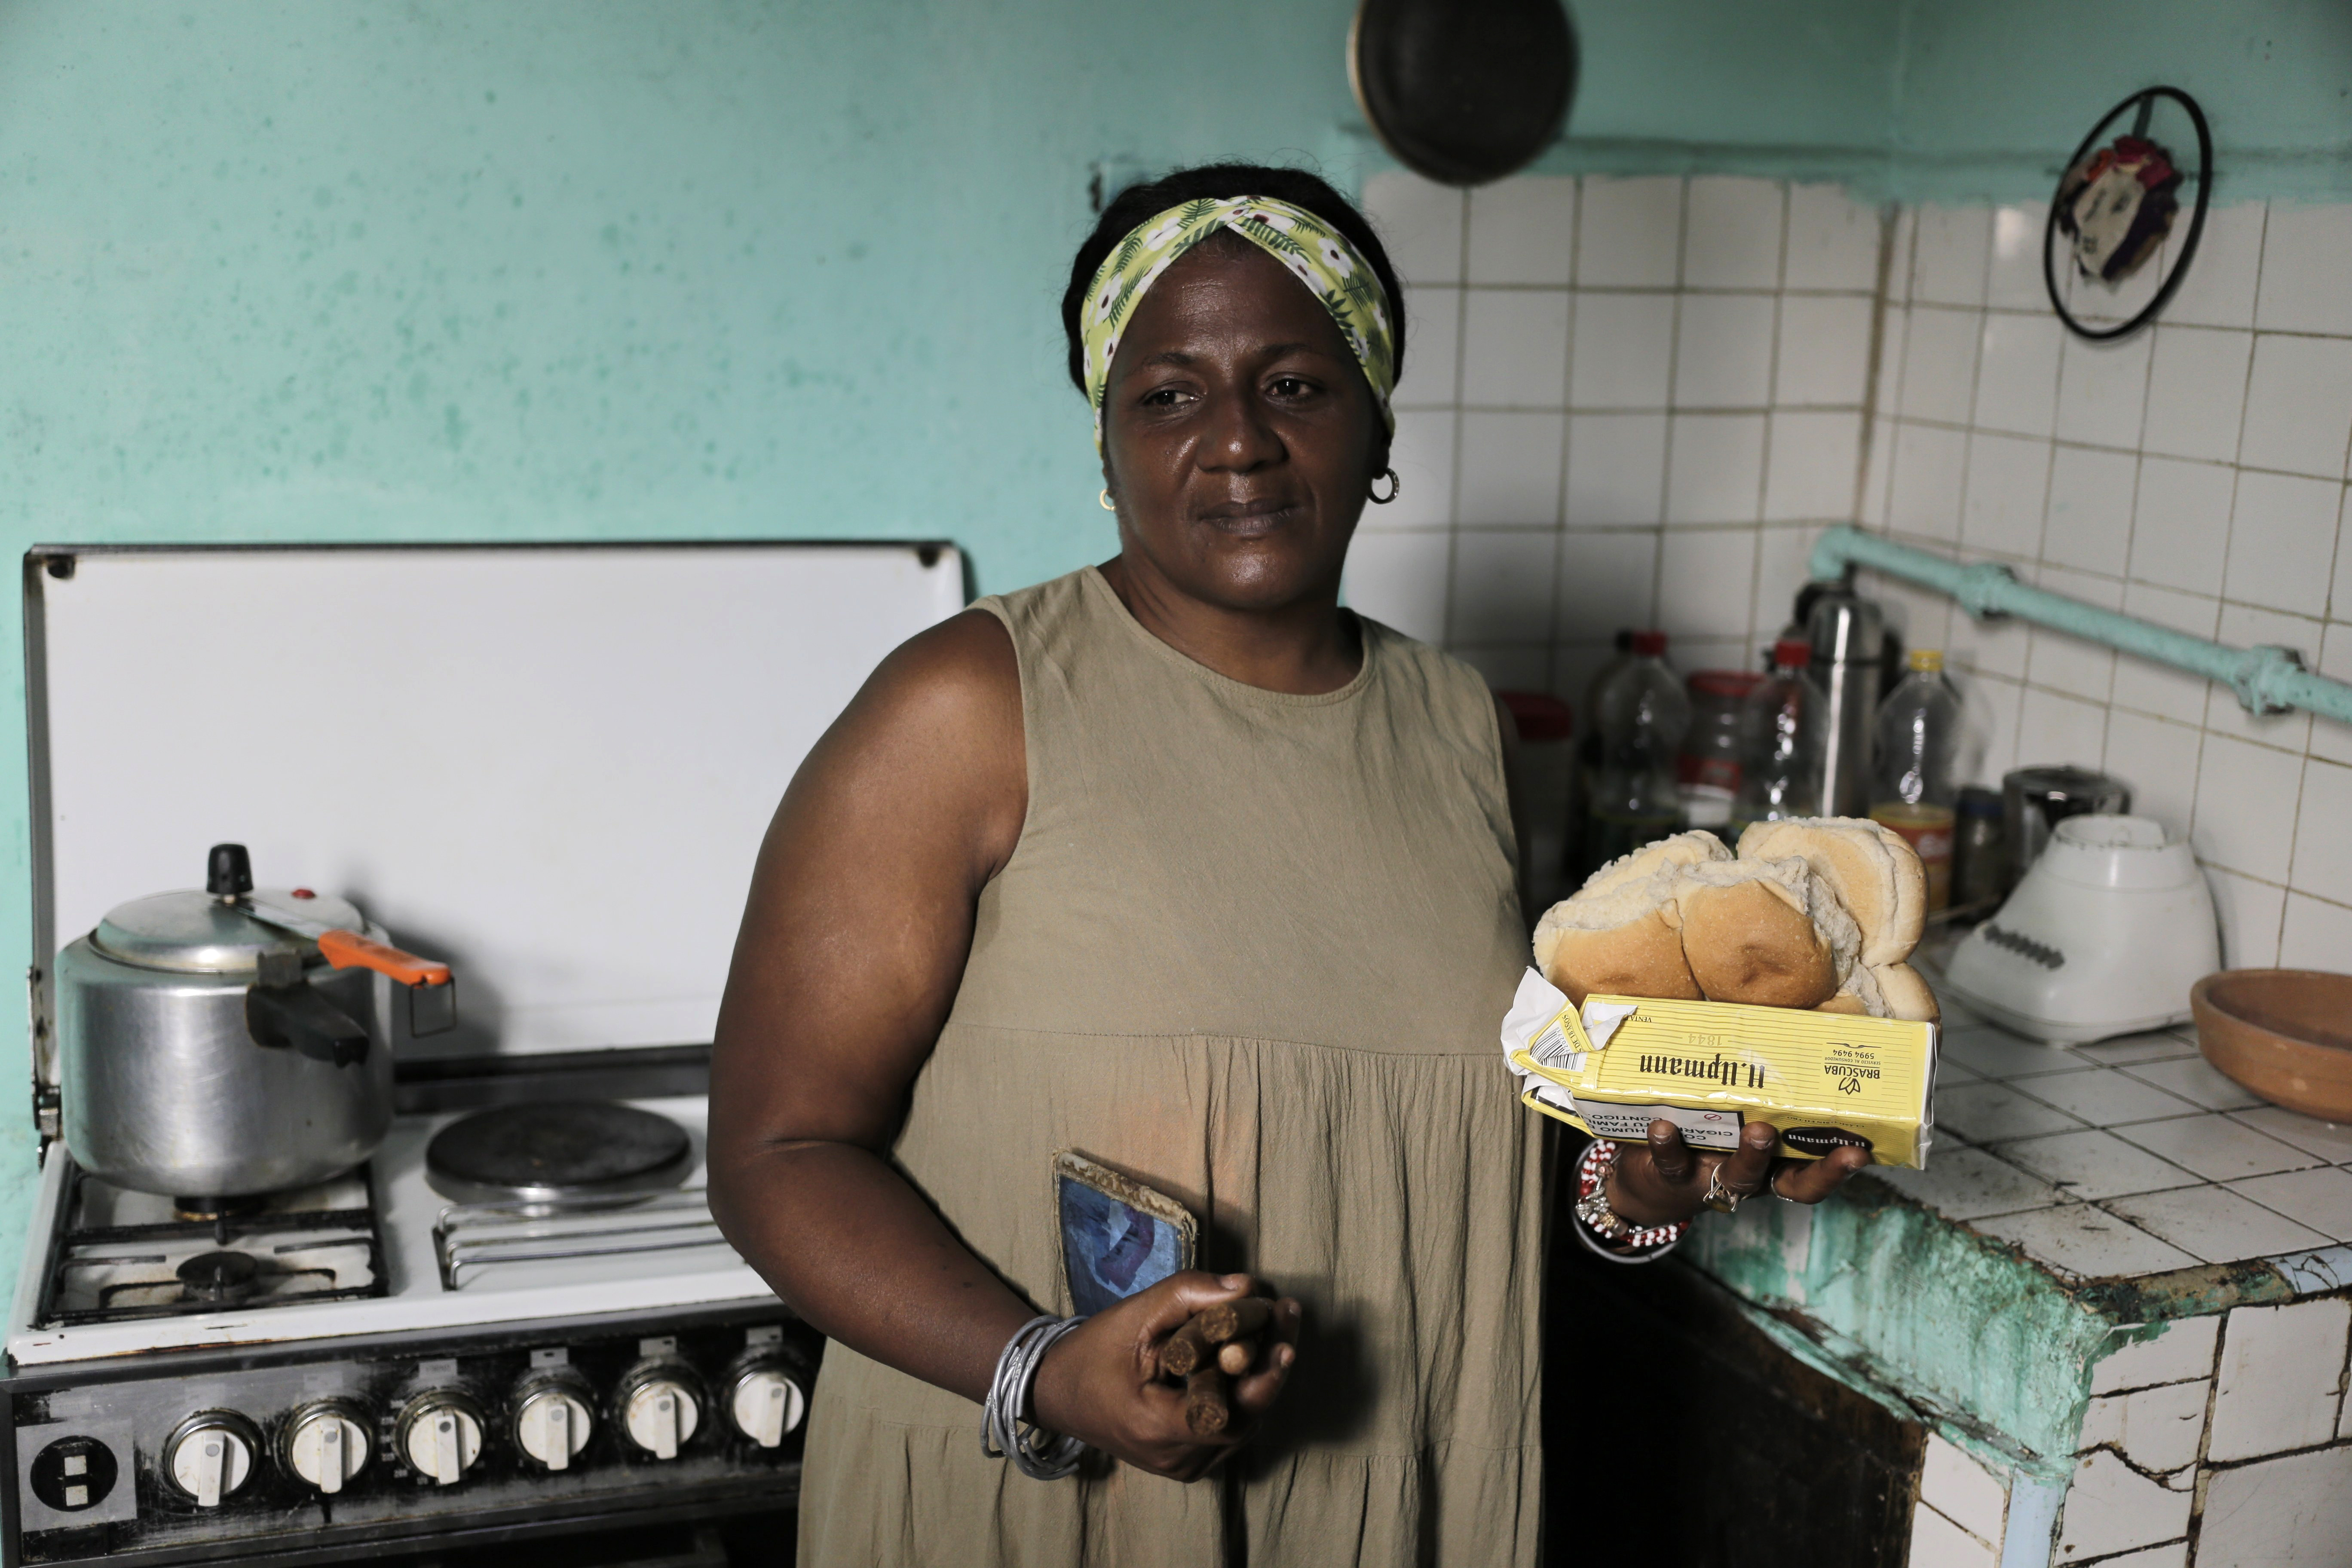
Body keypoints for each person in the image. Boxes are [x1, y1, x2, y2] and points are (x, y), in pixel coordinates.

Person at [707, 162, 1868, 1567]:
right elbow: (776, 1152)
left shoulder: (1459, 726)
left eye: (1296, 385)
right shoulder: (969, 706)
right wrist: (1044, 1369)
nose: (1239, 441)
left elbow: (1444, 1152)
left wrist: (1629, 1192)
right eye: (1171, 393)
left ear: (1375, 419)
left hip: (1394, 1505)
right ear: (1109, 444)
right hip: (1046, 1513)